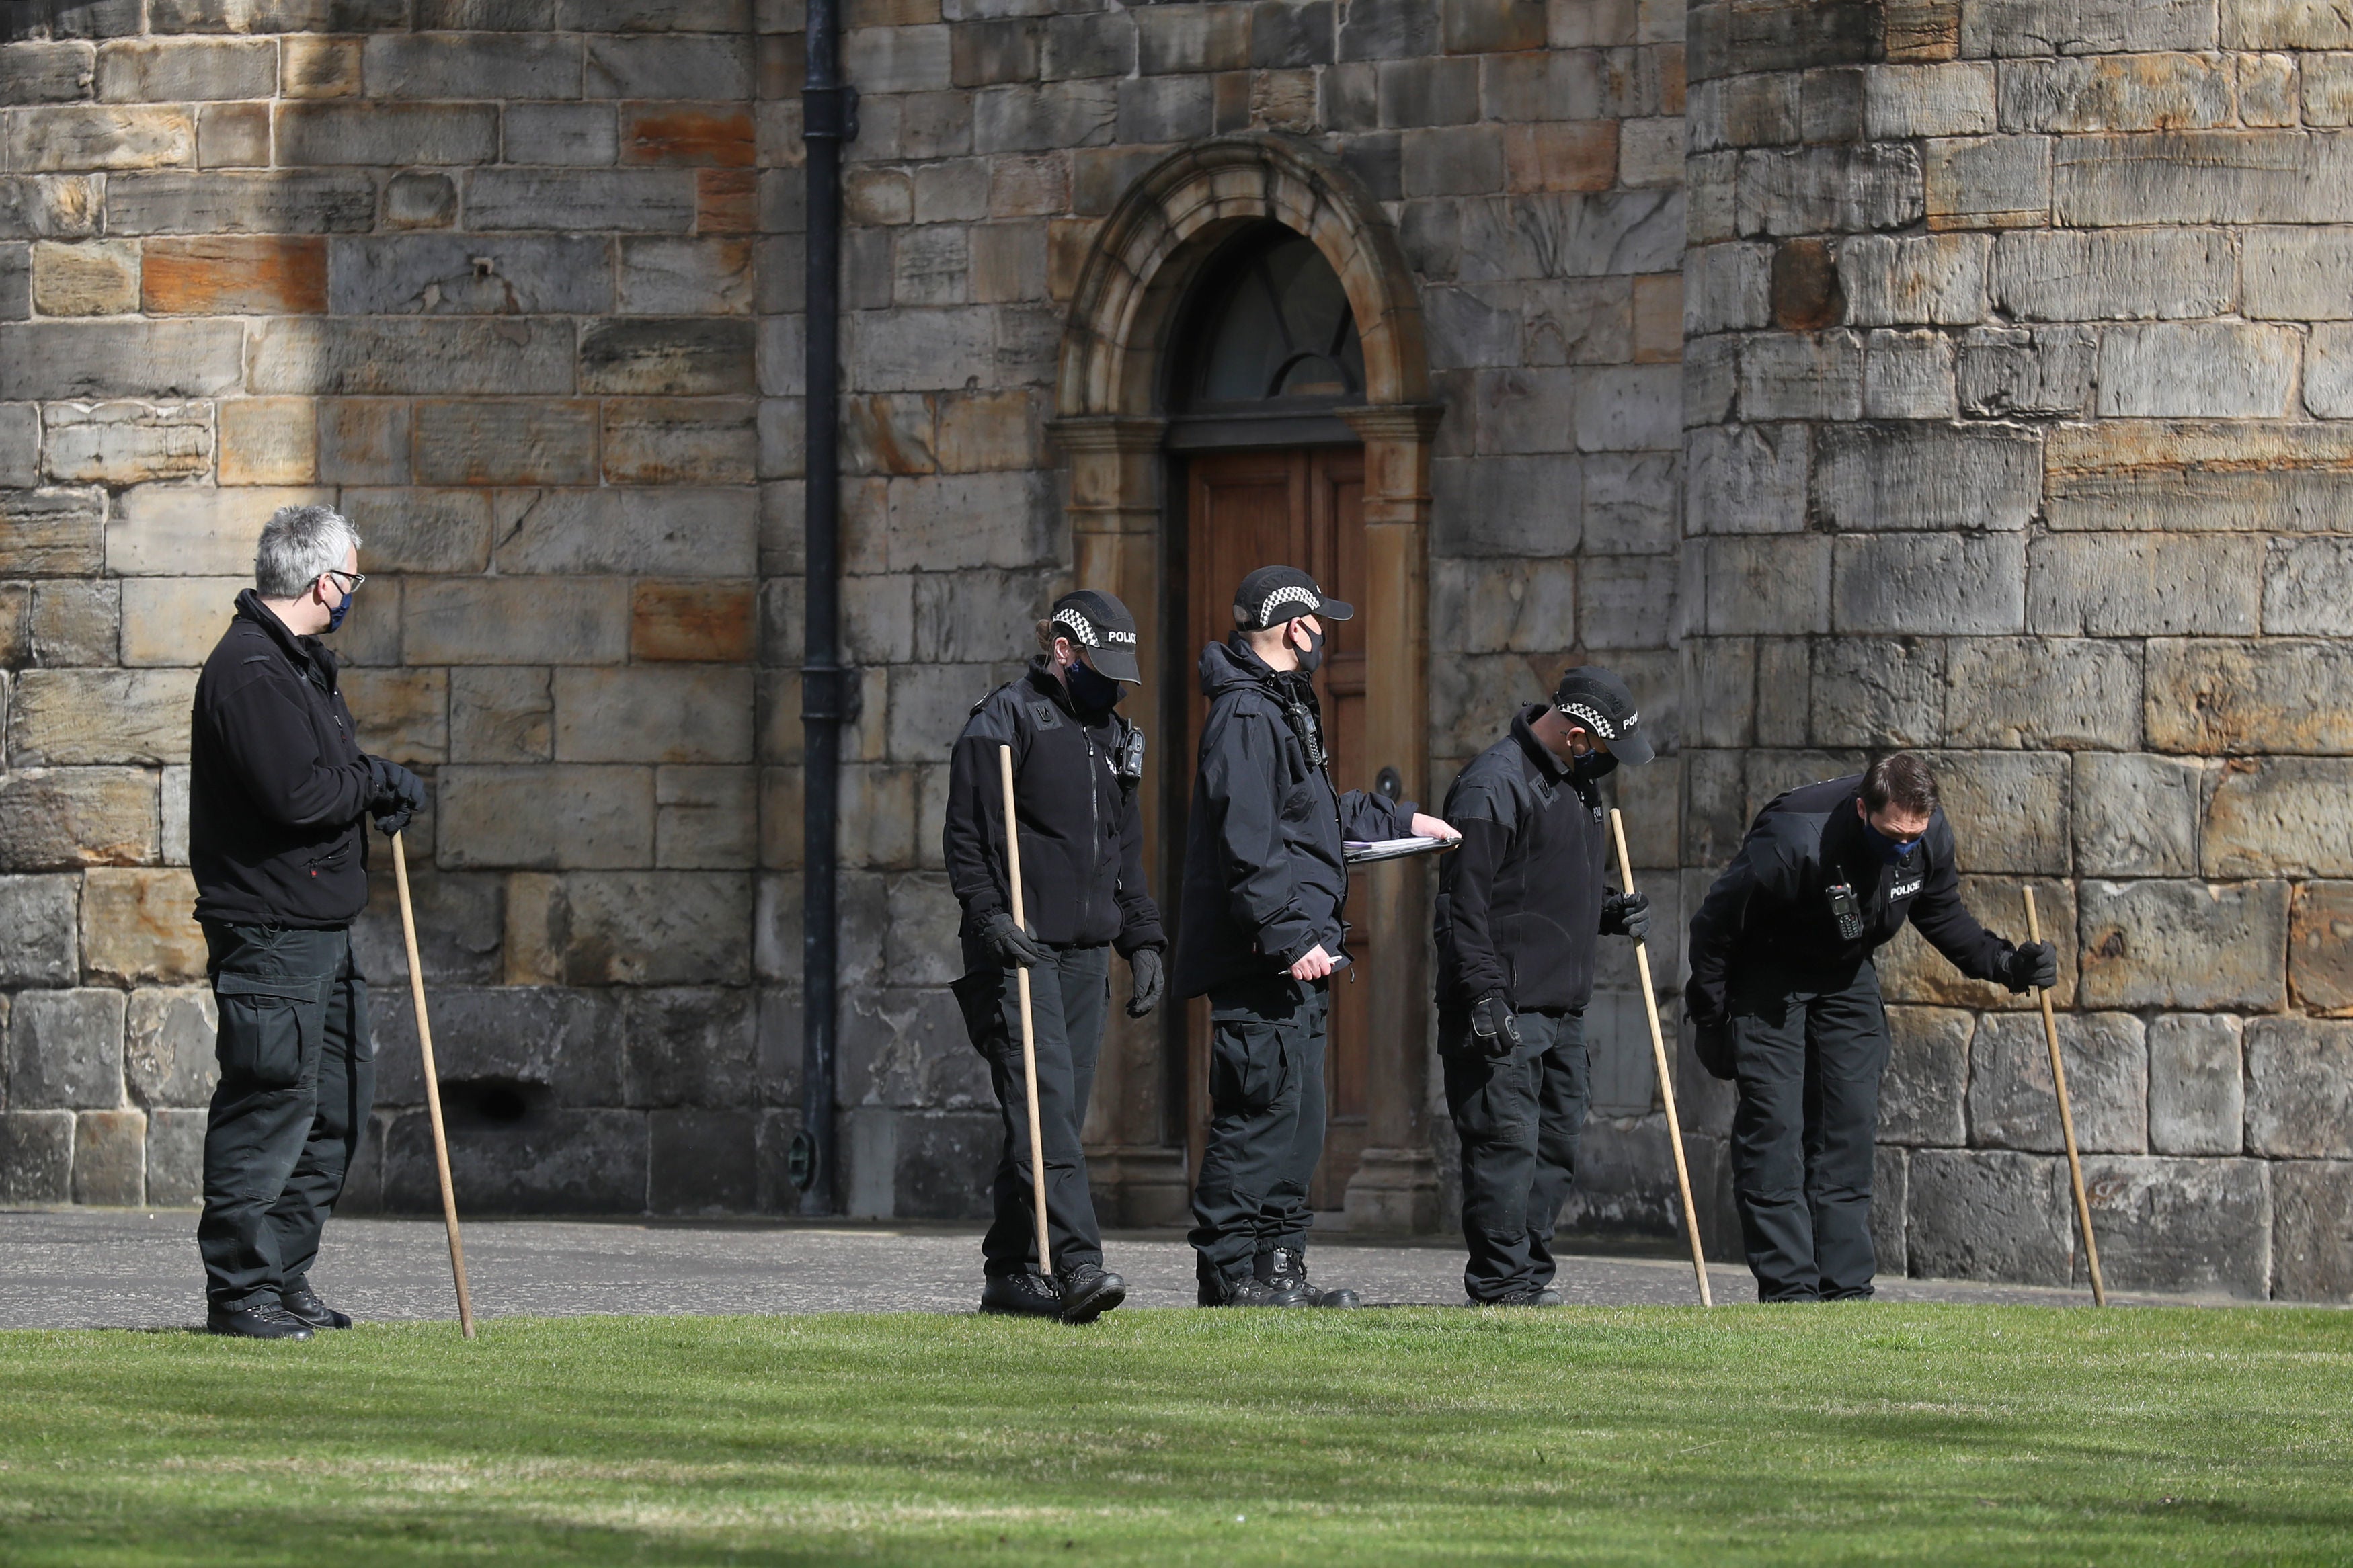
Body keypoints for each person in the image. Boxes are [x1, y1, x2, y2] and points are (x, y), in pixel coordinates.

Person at [1172, 565, 1456, 1309]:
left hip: (1301, 956)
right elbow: (1248, 841)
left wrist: (1397, 820)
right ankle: (1231, 1275)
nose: (1324, 633)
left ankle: (1279, 1267)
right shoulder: (1242, 715)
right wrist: (1285, 930)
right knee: (1256, 1115)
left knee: (1298, 1122)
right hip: (1266, 958)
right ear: (1293, 626)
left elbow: (1309, 811)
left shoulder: (1279, 705)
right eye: (1316, 620)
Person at [1684, 752, 2059, 1302]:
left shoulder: (1926, 837)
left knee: (1848, 1127)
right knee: (1776, 1129)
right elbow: (1713, 928)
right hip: (1767, 970)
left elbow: (1943, 914)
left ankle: (1844, 1289)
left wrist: (2008, 965)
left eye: (1915, 835)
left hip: (1846, 970)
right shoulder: (1793, 842)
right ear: (1863, 810)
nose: (1904, 847)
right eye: (1892, 836)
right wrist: (1713, 1019)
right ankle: (1790, 1293)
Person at [189, 505, 424, 1339]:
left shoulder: (298, 668)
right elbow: (298, 796)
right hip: (273, 929)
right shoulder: (251, 670)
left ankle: (284, 1273)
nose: (351, 594)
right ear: (326, 582)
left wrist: (371, 779)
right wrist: (374, 781)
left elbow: (326, 774)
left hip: (319, 925)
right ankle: (240, 1288)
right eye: (351, 579)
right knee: (270, 1102)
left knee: (334, 1107)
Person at [943, 589, 1165, 1324]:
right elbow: (967, 839)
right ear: (1064, 650)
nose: (1114, 683)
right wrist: (989, 917)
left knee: (1049, 1115)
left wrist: (1141, 936)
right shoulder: (1002, 720)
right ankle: (1076, 1263)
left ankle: (1008, 1270)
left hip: (1084, 950)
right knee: (1045, 1112)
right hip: (1018, 946)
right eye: (1102, 665)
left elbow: (1123, 851)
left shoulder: (1115, 736)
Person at [1433, 667, 1655, 1307]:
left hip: (1563, 1008)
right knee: (1507, 1147)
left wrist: (1608, 911)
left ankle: (1530, 1277)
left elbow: (1542, 888)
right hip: (1502, 1004)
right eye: (1608, 754)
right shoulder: (1492, 786)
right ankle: (1502, 1287)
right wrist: (1483, 995)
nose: (1611, 769)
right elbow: (1462, 908)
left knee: (1554, 1149)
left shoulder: (1579, 789)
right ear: (1579, 737)